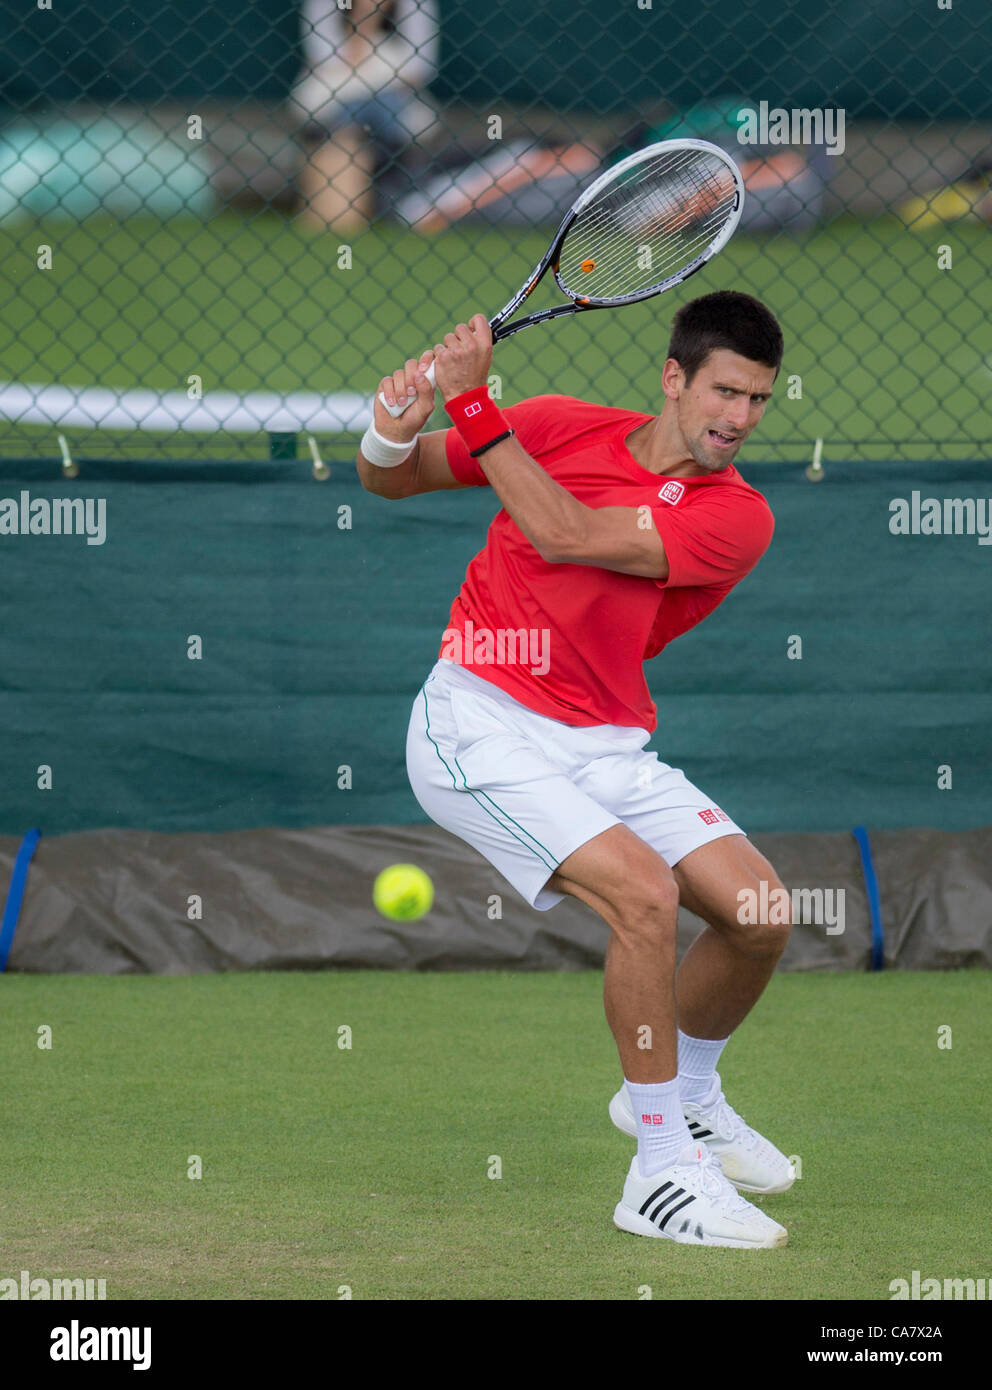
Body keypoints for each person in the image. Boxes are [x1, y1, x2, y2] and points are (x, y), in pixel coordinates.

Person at [357, 291, 794, 1248]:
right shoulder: (554, 424)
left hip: (601, 742)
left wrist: (474, 404)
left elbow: (568, 535)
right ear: (674, 378)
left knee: (759, 912)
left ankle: (689, 1098)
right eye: (725, 391)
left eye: (759, 401)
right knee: (641, 897)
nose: (739, 419)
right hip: (476, 722)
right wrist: (393, 427)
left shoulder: (737, 516)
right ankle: (660, 1172)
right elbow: (391, 478)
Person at [290, 0, 440, 232]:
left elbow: (419, 67)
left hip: (393, 98)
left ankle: (398, 199)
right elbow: (327, 58)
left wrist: (374, 69)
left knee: (386, 108)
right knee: (351, 111)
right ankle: (344, 195)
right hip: (339, 98)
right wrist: (363, 20)